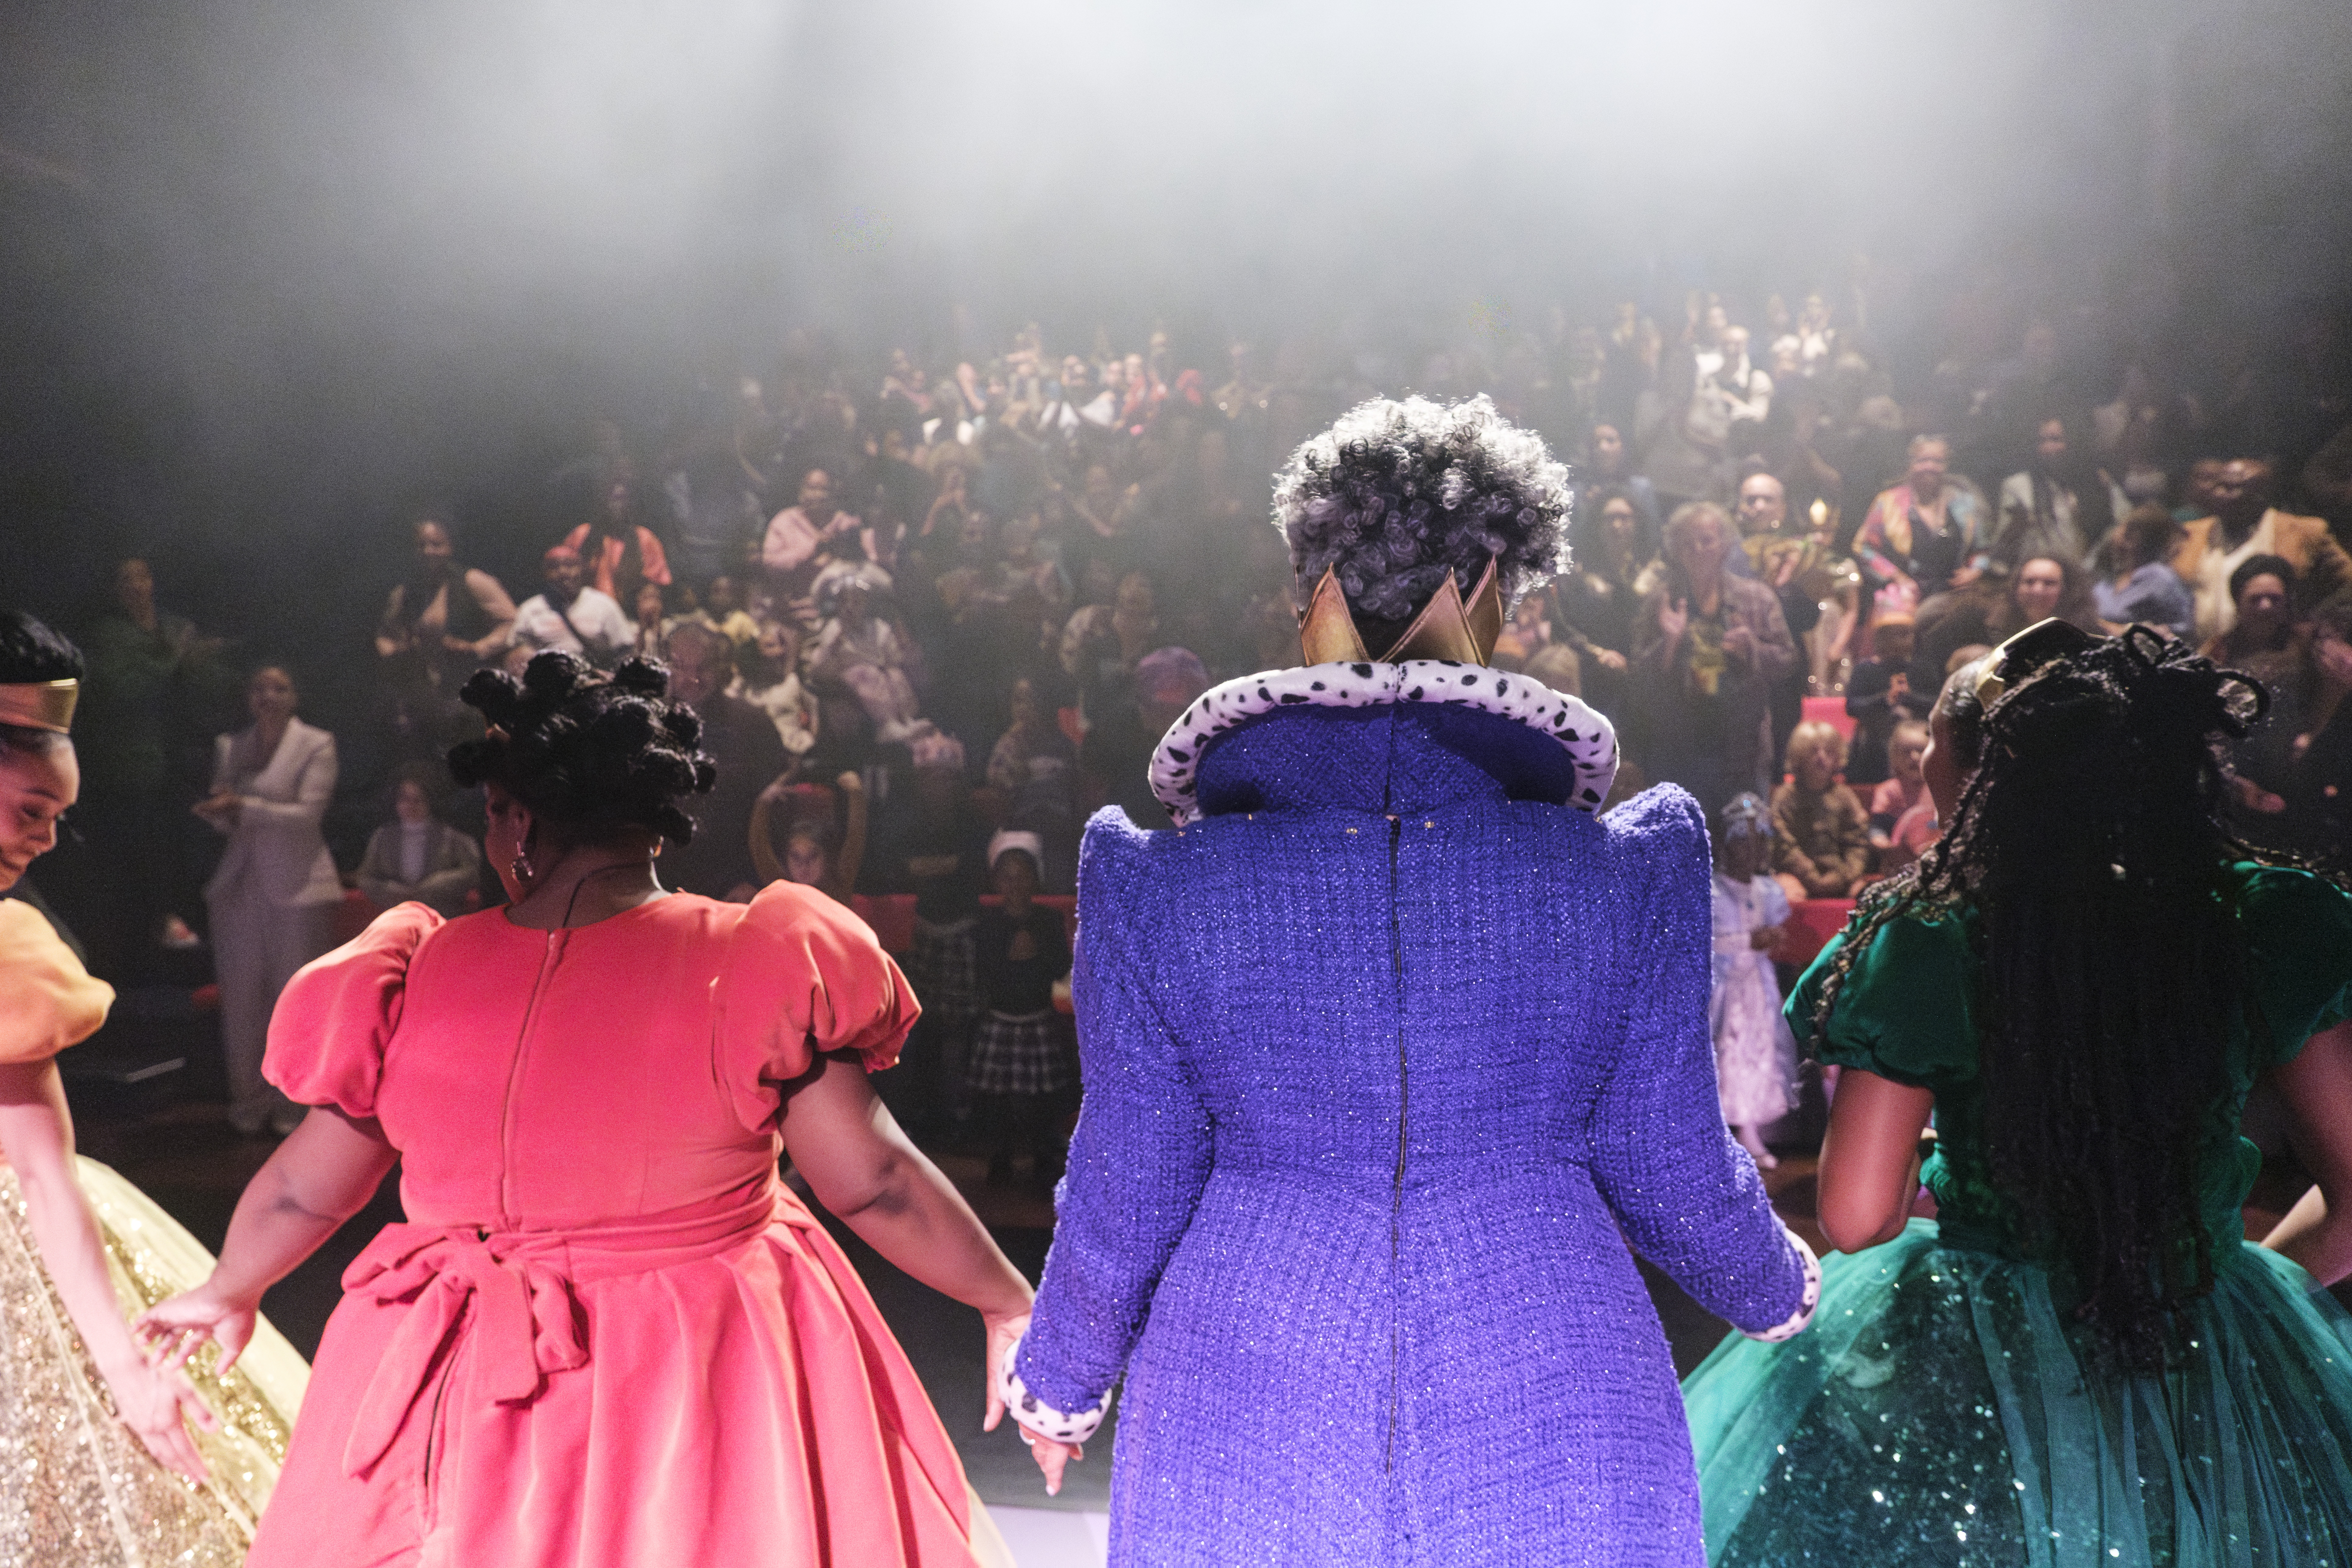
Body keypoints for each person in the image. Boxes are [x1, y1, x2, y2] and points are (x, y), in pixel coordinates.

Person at [1003, 395, 1817, 1563]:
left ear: (1307, 600)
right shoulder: (1622, 872)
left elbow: (1132, 1170)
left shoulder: (1157, 884)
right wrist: (1773, 1283)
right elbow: (1667, 1160)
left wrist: (1062, 1381)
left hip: (1242, 1373)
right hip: (1551, 1366)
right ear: (1496, 600)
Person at [137, 652, 1023, 1568]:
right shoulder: (750, 959)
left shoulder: (415, 975)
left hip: (465, 1373)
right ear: (656, 821)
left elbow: (301, 1190)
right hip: (690, 1359)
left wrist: (228, 1287)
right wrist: (1005, 1302)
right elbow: (873, 1181)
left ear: (515, 821)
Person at [1682, 624, 2352, 1565]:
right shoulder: (2252, 915)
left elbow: (1857, 1211)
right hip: (2200, 1323)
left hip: (1980, 1352)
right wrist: (2244, 1302)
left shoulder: (1929, 939)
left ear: (1973, 772)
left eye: (1929, 737)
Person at [0, 609, 308, 1560]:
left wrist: (128, 1372)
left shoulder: (9, 954)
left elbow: (45, 1171)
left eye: (53, 817)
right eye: (29, 811)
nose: (46, 841)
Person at [196, 665, 340, 1137]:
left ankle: (294, 1107)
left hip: (297, 886)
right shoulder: (230, 746)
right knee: (242, 1002)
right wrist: (221, 813)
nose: (268, 696)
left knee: (293, 998)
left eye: (279, 687)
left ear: (295, 696)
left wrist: (244, 807)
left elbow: (308, 815)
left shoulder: (316, 743)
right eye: (259, 688)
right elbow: (227, 821)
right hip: (241, 885)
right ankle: (248, 1103)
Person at [1634, 501, 1799, 813]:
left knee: (1745, 841)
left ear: (1725, 545)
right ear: (1676, 550)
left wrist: (1752, 648)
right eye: (1687, 543)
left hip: (1743, 747)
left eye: (1706, 540)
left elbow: (1788, 661)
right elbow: (1639, 681)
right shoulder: (1662, 600)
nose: (1697, 549)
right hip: (1680, 746)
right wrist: (1669, 644)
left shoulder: (1756, 596)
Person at [962, 833, 1075, 1188]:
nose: (1014, 883)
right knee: (997, 1100)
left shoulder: (1047, 920)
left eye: (1022, 874)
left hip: (1037, 1018)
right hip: (1000, 1019)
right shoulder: (987, 922)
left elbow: (1061, 966)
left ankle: (1043, 1156)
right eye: (1007, 876)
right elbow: (982, 970)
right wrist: (1007, 955)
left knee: (1041, 1098)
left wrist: (1038, 951)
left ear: (1035, 878)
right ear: (996, 881)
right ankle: (1001, 1157)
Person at [658, 621, 788, 901]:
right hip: (660, 883)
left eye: (703, 667)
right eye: (681, 667)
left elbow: (775, 813)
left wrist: (754, 880)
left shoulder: (753, 725)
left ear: (720, 669)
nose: (692, 678)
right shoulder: (647, 724)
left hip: (734, 884)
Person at [2169, 453, 2352, 646]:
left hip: (2278, 657)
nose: (2219, 494)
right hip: (2204, 653)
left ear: (2260, 496)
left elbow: (2347, 586)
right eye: (2219, 486)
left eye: (2233, 488)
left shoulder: (2305, 532)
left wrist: (2318, 629)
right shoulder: (2191, 534)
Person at [1711, 794, 1794, 1171]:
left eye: (1759, 839)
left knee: (1756, 1052)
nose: (1752, 849)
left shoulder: (1768, 892)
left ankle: (1749, 1130)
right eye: (1743, 839)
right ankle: (1719, 1132)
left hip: (1756, 987)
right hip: (1723, 988)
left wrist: (1771, 939)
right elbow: (1705, 941)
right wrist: (1749, 941)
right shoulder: (1712, 891)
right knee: (1724, 1052)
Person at [1851, 434, 1990, 642]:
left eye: (1937, 461)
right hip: (1902, 601)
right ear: (1910, 464)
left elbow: (1983, 549)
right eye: (1923, 460)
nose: (1930, 467)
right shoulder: (1888, 502)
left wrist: (1975, 570)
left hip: (1952, 600)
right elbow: (1863, 548)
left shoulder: (1963, 503)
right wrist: (1897, 578)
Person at [373, 516, 517, 700]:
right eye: (421, 546)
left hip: (476, 684)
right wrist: (399, 653)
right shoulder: (404, 593)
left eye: (437, 545)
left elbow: (511, 622)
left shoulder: (473, 581)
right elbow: (386, 637)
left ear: (451, 547)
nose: (428, 552)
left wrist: (477, 648)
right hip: (427, 690)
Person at [1990, 416, 2118, 573]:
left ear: (2073, 441)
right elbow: (2001, 549)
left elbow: (2115, 531)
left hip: (2084, 578)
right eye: (2041, 441)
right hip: (2037, 580)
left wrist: (2090, 570)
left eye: (2056, 440)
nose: (2048, 448)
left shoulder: (2097, 481)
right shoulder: (2018, 487)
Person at [355, 766, 482, 916]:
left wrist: (437, 884)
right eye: (405, 799)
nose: (411, 806)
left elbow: (473, 873)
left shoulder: (453, 837)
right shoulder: (383, 837)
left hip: (443, 917)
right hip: (396, 917)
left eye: (418, 800)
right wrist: (392, 891)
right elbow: (365, 878)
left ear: (430, 801)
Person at [1769, 720, 1870, 901]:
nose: (1821, 758)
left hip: (1841, 875)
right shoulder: (1785, 797)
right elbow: (1783, 845)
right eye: (1813, 751)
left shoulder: (1845, 796)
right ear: (1799, 756)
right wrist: (1810, 877)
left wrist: (1843, 877)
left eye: (1829, 751)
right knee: (1790, 894)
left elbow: (1858, 843)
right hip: (1797, 875)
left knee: (1866, 896)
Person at [1840, 611, 1931, 786]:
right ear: (1882, 638)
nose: (1906, 640)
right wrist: (1886, 700)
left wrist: (1908, 699)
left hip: (1917, 743)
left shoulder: (1922, 668)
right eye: (1898, 634)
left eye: (1908, 634)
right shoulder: (1865, 670)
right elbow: (1852, 707)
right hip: (1874, 746)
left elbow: (1936, 704)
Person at [562, 473, 673, 608]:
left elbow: (657, 583)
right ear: (602, 501)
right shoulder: (582, 534)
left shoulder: (645, 538)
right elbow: (562, 574)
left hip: (629, 614)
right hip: (586, 612)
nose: (618, 505)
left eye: (623, 499)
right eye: (613, 499)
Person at [510, 544, 634, 664]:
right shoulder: (530, 609)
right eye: (554, 567)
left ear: (581, 569)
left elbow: (625, 650)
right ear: (545, 573)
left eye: (570, 565)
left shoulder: (604, 604)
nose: (563, 572)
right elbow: (516, 651)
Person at [2092, 502, 2195, 637]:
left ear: (2130, 537)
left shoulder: (2161, 579)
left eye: (2120, 527)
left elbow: (2183, 628)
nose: (2113, 535)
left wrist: (2128, 633)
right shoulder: (2109, 580)